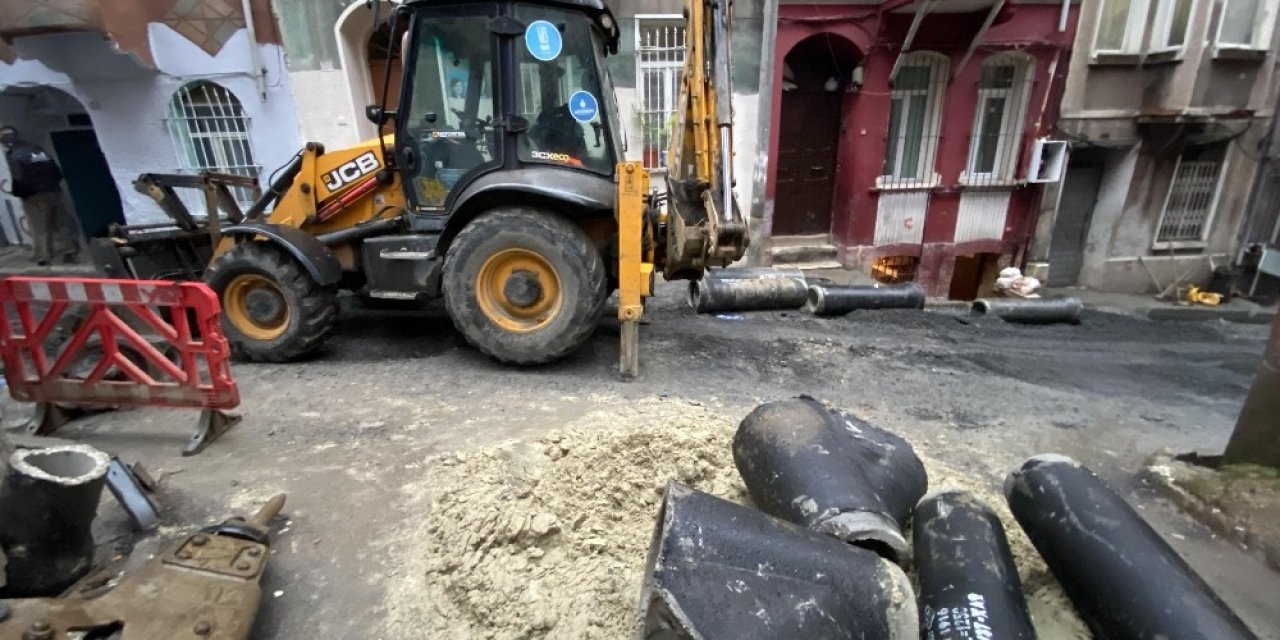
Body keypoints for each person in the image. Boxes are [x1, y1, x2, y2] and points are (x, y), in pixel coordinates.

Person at [0, 125, 78, 265]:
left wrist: (18, 193)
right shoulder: (37, 149)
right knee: (58, 222)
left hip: (33, 195)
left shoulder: (13, 154)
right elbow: (57, 171)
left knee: (39, 225)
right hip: (53, 191)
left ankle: (44, 256)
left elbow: (19, 177)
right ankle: (70, 250)